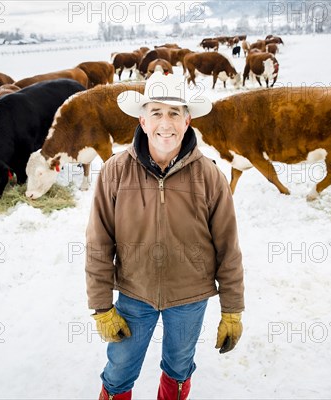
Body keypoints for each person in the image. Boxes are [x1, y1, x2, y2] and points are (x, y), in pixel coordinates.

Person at [85, 71, 244, 400]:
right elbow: (99, 243)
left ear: (187, 121)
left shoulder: (210, 176)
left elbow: (229, 248)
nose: (165, 123)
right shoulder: (115, 171)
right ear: (142, 121)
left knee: (179, 366)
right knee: (119, 370)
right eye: (156, 112)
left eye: (174, 113)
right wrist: (101, 307)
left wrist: (232, 309)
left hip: (190, 298)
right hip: (134, 293)